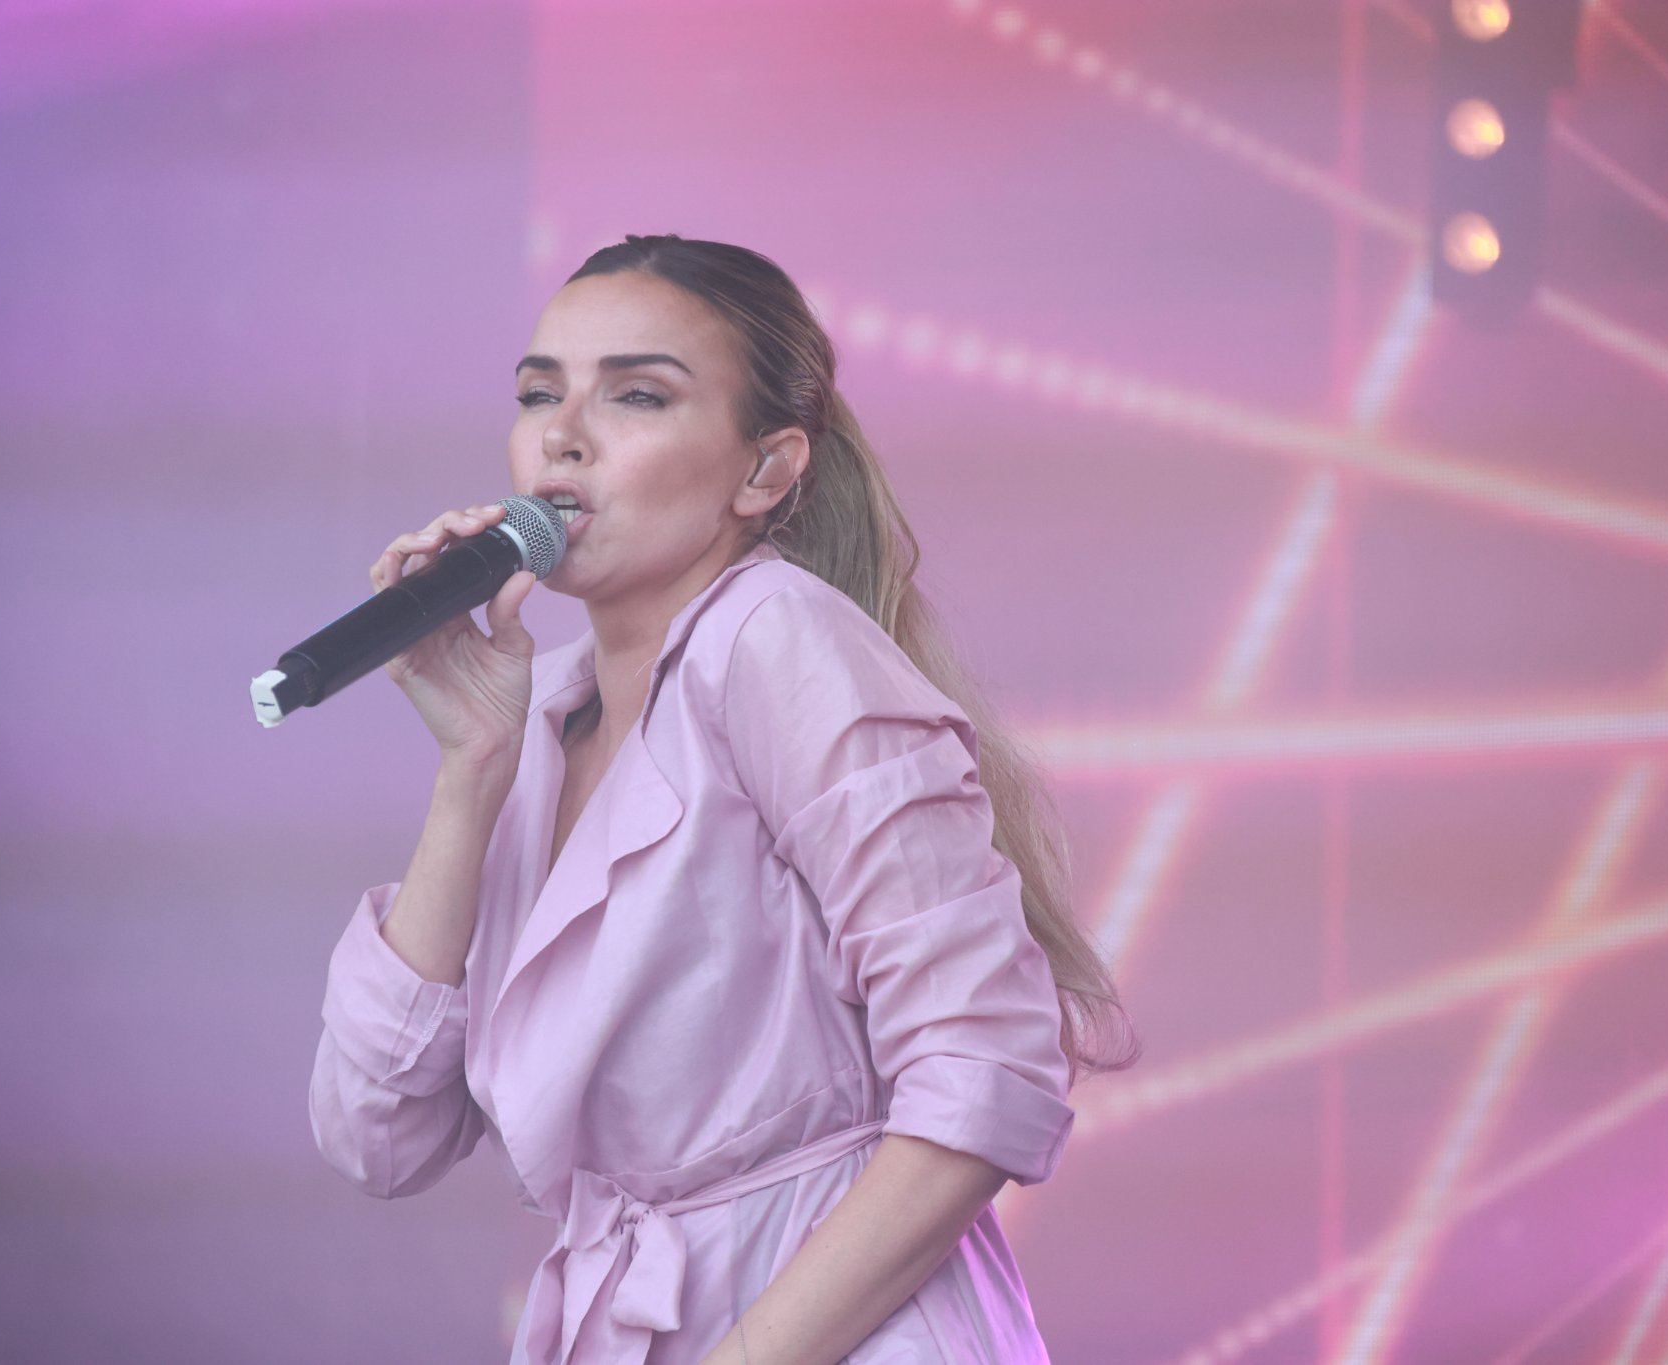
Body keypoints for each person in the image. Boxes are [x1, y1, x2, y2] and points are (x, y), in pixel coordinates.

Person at [309, 234, 1138, 1365]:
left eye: (637, 395)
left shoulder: (775, 640)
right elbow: (377, 1136)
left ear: (765, 472)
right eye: (539, 393)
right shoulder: (537, 719)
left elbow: (984, 1070)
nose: (562, 434)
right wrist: (471, 767)